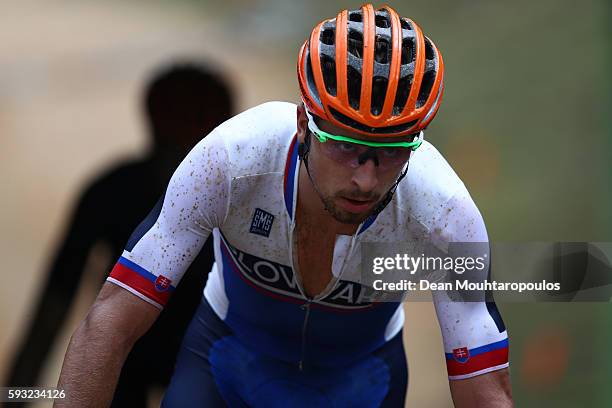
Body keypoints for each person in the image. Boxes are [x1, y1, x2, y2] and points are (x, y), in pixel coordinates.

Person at [56, 5, 512, 407]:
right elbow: (109, 326)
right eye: (343, 144)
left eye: (393, 150)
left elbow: (485, 392)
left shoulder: (445, 215)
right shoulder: (230, 161)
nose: (365, 178)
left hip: (360, 384)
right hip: (226, 365)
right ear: (303, 123)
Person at [5, 62, 233, 407]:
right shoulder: (111, 191)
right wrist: (17, 395)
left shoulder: (243, 197)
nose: (188, 129)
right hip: (129, 357)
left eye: (200, 115)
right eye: (180, 115)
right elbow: (56, 299)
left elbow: (55, 302)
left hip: (194, 357)